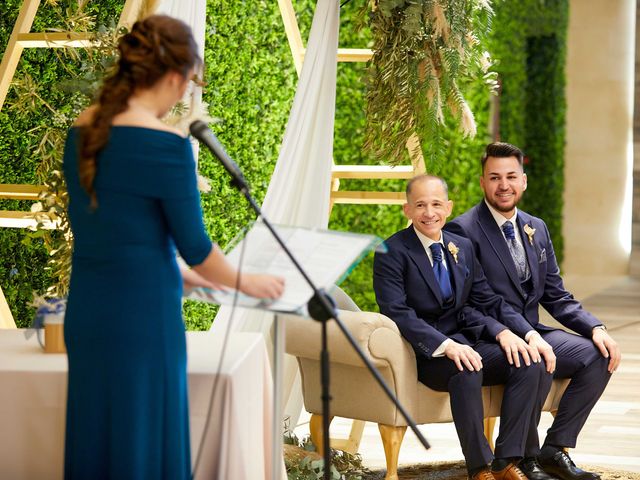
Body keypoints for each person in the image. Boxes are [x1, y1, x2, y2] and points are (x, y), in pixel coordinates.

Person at [62, 15, 284, 480]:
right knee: (144, 441)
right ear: (171, 77)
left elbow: (117, 239)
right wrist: (251, 282)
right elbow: (197, 247)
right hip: (143, 320)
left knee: (97, 436)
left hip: (89, 313)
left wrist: (178, 273)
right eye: (188, 84)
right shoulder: (165, 144)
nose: (185, 97)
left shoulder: (82, 131)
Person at [446, 142, 621, 480]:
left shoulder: (535, 227)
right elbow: (466, 302)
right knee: (533, 360)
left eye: (511, 176)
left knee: (598, 355)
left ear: (523, 181)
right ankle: (518, 459)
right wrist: (513, 334)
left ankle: (554, 449)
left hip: (531, 330)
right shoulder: (463, 230)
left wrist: (595, 328)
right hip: (490, 336)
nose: (504, 185)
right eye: (494, 177)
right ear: (482, 182)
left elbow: (555, 295)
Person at [373, 174, 555, 480]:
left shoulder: (462, 246)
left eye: (435, 204)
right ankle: (480, 467)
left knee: (530, 362)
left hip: (468, 342)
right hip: (426, 353)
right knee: (467, 370)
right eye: (420, 205)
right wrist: (446, 346)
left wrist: (522, 333)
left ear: (448, 206)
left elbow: (488, 300)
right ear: (407, 210)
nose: (429, 213)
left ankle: (506, 460)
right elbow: (397, 312)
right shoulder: (391, 251)